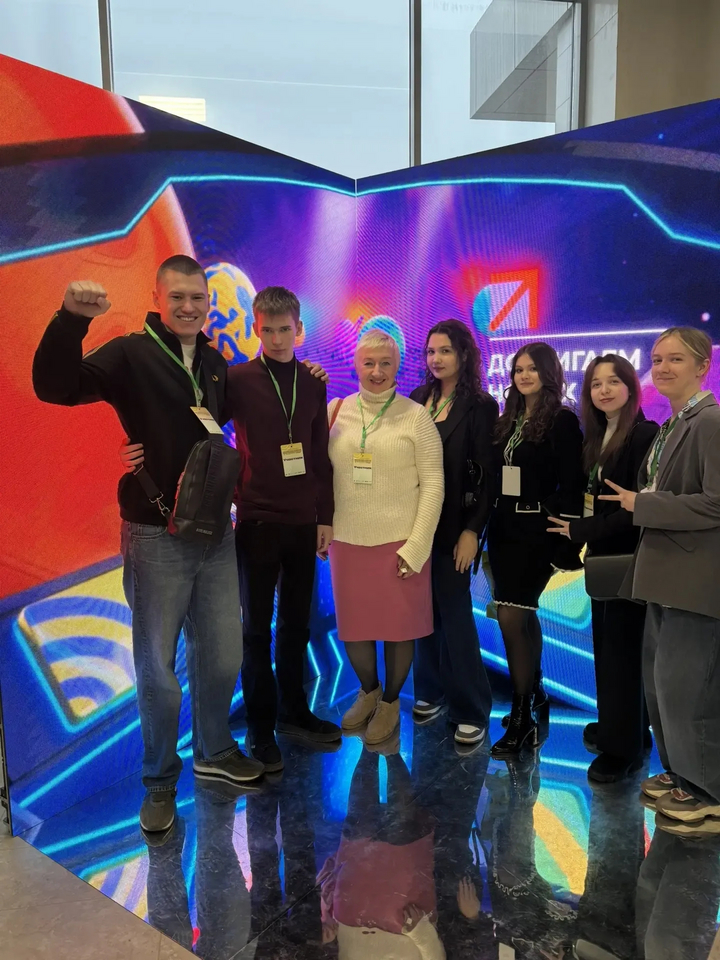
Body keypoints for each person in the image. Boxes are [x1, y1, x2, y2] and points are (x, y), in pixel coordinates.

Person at [32, 257, 265, 835]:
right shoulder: (131, 353)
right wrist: (70, 319)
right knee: (158, 669)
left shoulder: (214, 363)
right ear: (158, 299)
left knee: (224, 655)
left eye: (198, 298)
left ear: (208, 303)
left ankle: (215, 751)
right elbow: (55, 387)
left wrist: (299, 372)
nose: (189, 307)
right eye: (178, 297)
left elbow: (224, 423)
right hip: (155, 533)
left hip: (215, 533)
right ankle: (160, 782)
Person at [600, 326, 720, 835]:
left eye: (676, 359)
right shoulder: (675, 424)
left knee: (688, 688)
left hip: (694, 579)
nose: (663, 368)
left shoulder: (711, 422)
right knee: (662, 686)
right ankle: (681, 775)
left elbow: (716, 504)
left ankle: (708, 792)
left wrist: (642, 504)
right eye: (657, 359)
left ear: (702, 366)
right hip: (664, 576)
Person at [328, 331, 444, 745]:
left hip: (401, 544)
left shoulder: (416, 416)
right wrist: (321, 528)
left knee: (398, 629)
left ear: (398, 366)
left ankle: (392, 702)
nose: (377, 371)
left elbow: (434, 485)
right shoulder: (335, 411)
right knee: (355, 628)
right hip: (347, 540)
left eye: (385, 363)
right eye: (369, 363)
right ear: (356, 365)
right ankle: (369, 692)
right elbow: (320, 477)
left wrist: (417, 546)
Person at [547, 355, 659, 782]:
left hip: (627, 558)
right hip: (604, 556)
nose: (604, 390)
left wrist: (581, 530)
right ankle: (628, 730)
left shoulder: (643, 434)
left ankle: (620, 751)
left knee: (620, 654)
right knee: (613, 650)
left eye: (613, 382)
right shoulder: (598, 435)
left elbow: (635, 509)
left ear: (631, 387)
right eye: (596, 384)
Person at [487, 342, 584, 757]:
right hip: (503, 528)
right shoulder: (507, 417)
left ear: (548, 373)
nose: (523, 376)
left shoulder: (562, 419)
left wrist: (561, 529)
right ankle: (536, 694)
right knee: (522, 614)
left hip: (536, 531)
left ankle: (521, 716)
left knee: (511, 616)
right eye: (518, 369)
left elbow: (573, 483)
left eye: (532, 369)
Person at [409, 319, 498, 747]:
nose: (436, 359)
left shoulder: (480, 405)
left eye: (445, 350)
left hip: (454, 526)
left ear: (463, 354)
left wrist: (472, 531)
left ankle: (472, 708)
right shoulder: (416, 399)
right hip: (414, 524)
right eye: (431, 351)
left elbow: (487, 476)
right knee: (422, 611)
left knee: (456, 613)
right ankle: (431, 690)